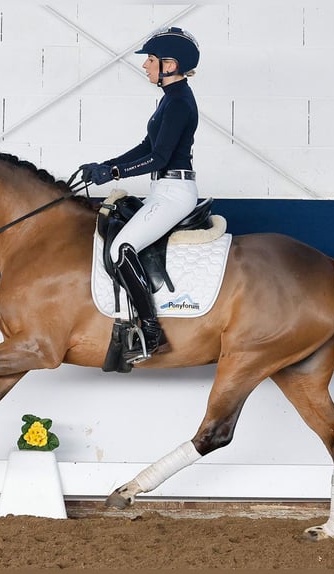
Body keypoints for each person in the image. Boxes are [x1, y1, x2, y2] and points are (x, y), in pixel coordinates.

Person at [80, 27, 200, 363]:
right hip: (163, 188)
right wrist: (106, 165)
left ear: (171, 64)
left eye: (150, 60)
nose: (145, 66)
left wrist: (114, 174)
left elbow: (159, 158)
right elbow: (147, 147)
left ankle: (151, 330)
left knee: (122, 248)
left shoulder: (178, 103)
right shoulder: (169, 101)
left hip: (175, 191)